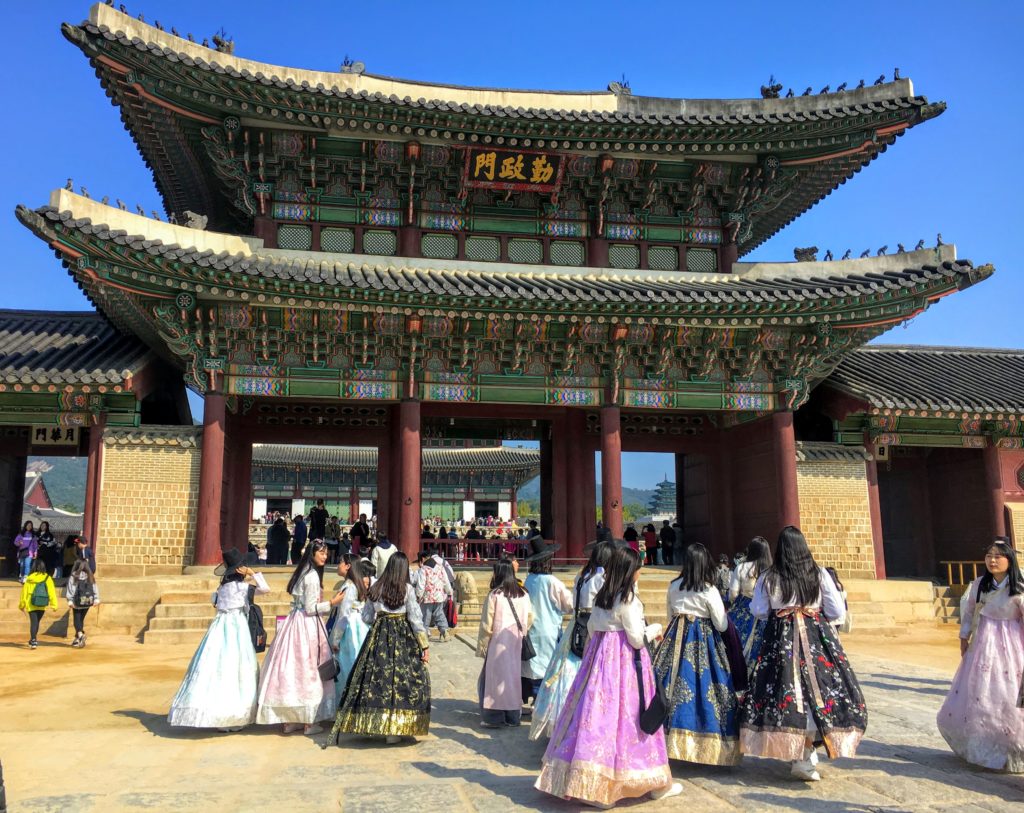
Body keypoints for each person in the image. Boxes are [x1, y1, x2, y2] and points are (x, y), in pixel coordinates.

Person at [536, 546, 682, 806]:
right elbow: (636, 639)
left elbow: (592, 628)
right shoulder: (628, 600)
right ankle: (652, 783)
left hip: (598, 662)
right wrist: (656, 629)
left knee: (596, 718)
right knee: (630, 718)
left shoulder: (602, 597)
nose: (640, 572)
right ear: (630, 571)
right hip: (626, 666)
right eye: (638, 568)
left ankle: (595, 788)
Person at [739, 526, 866, 781]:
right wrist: (813, 613)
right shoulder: (818, 574)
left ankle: (801, 752)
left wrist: (782, 611)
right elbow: (837, 611)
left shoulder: (769, 576)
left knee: (785, 690)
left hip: (780, 640)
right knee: (817, 691)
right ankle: (805, 753)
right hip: (816, 637)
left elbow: (759, 611)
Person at [937, 539, 1024, 772]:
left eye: (998, 556)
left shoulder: (1019, 587)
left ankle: (1012, 747)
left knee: (1008, 693)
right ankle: (981, 745)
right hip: (983, 643)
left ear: (1009, 560)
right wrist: (964, 638)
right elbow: (968, 613)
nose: (992, 560)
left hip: (1011, 645)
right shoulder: (979, 585)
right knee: (979, 693)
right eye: (989, 556)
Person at [328, 552, 431, 745]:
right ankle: (397, 727)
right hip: (403, 637)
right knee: (401, 680)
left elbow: (367, 617)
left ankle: (374, 722)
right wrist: (424, 645)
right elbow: (416, 620)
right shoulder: (407, 589)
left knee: (376, 678)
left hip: (379, 636)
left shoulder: (376, 587)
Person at [655, 542, 739, 765]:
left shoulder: (674, 585)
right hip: (704, 641)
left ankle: (667, 739)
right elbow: (721, 624)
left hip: (675, 638)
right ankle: (706, 743)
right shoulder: (709, 589)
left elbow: (669, 613)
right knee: (709, 686)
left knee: (670, 684)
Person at [169, 549, 271, 730]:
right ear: (240, 568)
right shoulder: (243, 588)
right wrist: (253, 574)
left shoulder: (221, 588)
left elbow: (215, 602)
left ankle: (216, 715)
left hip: (219, 626)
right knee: (237, 667)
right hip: (237, 626)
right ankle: (234, 716)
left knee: (216, 667)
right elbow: (265, 589)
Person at [256, 539, 346, 734]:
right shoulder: (312, 576)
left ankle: (291, 720)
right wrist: (333, 602)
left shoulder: (301, 572)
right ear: (312, 554)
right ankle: (309, 720)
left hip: (293, 622)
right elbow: (311, 608)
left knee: (292, 668)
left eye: (326, 553)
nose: (325, 556)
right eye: (321, 553)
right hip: (307, 625)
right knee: (309, 669)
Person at [529, 540, 613, 740]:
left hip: (575, 627)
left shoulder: (582, 576)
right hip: (594, 627)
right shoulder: (602, 578)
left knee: (565, 673)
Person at [477, 558, 534, 728]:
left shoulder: (495, 594)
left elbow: (487, 624)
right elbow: (530, 618)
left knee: (495, 679)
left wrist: (482, 645)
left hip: (498, 641)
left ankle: (494, 717)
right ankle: (512, 717)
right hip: (515, 640)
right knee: (512, 678)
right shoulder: (524, 593)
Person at [521, 544, 573, 708]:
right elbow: (569, 604)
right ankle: (542, 702)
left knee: (532, 667)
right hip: (548, 628)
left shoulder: (529, 579)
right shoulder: (552, 581)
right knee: (547, 668)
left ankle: (532, 697)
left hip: (531, 629)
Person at [329, 555, 371, 704]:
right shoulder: (356, 584)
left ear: (348, 566)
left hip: (349, 628)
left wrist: (335, 640)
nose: (338, 565)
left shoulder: (349, 586)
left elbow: (343, 615)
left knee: (346, 666)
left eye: (340, 562)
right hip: (360, 626)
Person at [728, 536, 772, 664]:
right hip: (766, 609)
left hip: (744, 607)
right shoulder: (771, 570)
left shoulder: (741, 568)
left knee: (737, 641)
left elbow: (733, 593)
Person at [19, 557, 57, 648]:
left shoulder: (29, 578)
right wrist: (54, 605)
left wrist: (22, 604)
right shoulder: (47, 578)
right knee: (36, 622)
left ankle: (33, 640)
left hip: (31, 603)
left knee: (34, 622)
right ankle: (33, 639)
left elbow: (24, 592)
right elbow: (52, 592)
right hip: (42, 602)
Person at [418, 549, 455, 642]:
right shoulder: (440, 567)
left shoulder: (423, 569)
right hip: (439, 596)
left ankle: (424, 635)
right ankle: (445, 632)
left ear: (422, 559)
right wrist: (449, 591)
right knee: (439, 614)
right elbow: (445, 581)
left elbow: (421, 585)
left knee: (426, 616)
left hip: (428, 597)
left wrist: (418, 595)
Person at [66, 557, 101, 648]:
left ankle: (81, 636)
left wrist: (70, 600)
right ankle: (77, 640)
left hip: (77, 602)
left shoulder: (74, 576)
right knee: (81, 620)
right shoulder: (90, 575)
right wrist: (96, 599)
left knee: (76, 621)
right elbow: (94, 587)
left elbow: (71, 589)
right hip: (88, 601)